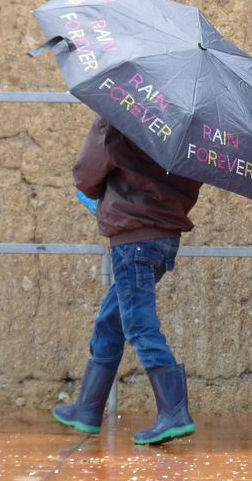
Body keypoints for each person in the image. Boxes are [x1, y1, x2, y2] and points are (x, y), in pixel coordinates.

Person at [53, 117, 202, 445]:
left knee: (139, 325)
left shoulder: (120, 113)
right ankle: (88, 409)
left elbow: (86, 174)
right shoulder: (189, 124)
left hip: (133, 236)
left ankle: (174, 411)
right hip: (164, 237)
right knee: (112, 321)